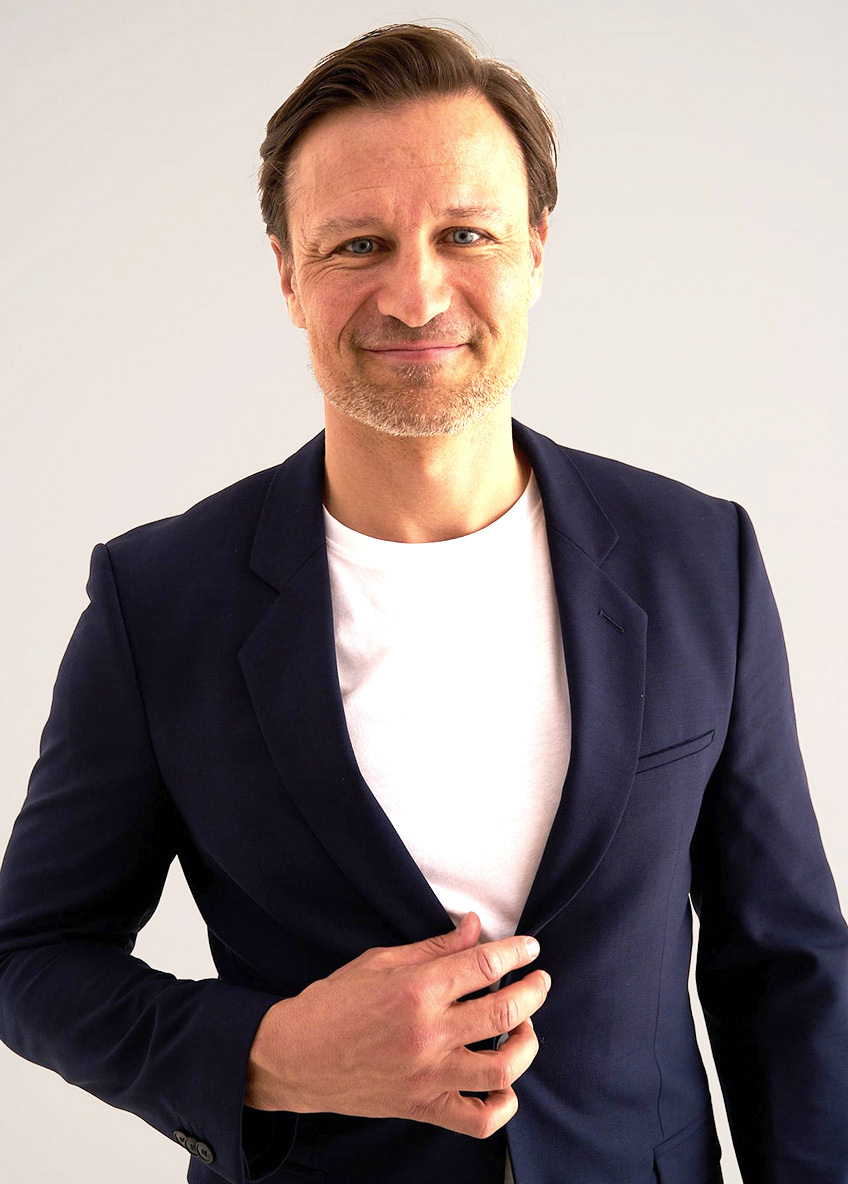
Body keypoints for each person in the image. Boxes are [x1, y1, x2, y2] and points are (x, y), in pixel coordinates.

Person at [0, 20, 846, 1184]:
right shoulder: (159, 600)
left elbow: (784, 965)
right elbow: (32, 954)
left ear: (535, 247)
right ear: (288, 275)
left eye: (464, 233)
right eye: (357, 243)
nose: (413, 294)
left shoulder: (698, 557)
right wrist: (267, 1054)